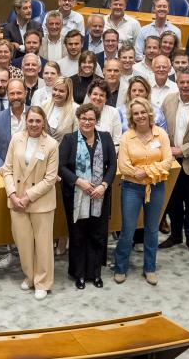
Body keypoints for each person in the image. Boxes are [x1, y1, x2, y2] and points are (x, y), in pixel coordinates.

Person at [0, 105, 60, 300]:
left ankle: (43, 281)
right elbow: (7, 169)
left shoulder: (51, 144)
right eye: (31, 120)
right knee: (23, 243)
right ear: (26, 121)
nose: (34, 124)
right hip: (16, 200)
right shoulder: (16, 139)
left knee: (43, 244)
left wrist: (27, 197)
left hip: (40, 201)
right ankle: (30, 276)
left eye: (38, 121)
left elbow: (50, 179)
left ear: (43, 123)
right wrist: (12, 194)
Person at [113, 97, 173, 286]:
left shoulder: (161, 134)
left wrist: (145, 172)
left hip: (156, 187)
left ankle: (150, 268)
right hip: (131, 188)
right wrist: (138, 173)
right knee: (128, 229)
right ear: (132, 116)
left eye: (142, 112)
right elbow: (123, 166)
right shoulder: (126, 137)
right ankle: (120, 267)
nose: (140, 116)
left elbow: (168, 162)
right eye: (135, 113)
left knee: (152, 228)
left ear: (149, 113)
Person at [59, 103, 116, 289]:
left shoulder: (105, 138)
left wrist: (104, 186)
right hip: (76, 196)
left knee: (97, 235)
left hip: (100, 196)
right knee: (78, 235)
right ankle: (79, 274)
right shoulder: (69, 140)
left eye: (91, 119)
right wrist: (79, 181)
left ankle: (95, 273)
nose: (87, 122)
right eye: (83, 118)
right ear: (78, 119)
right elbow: (61, 167)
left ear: (96, 120)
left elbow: (112, 166)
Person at [160, 68, 189, 256]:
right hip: (171, 163)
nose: (185, 86)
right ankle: (175, 235)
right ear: (177, 83)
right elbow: (161, 128)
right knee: (173, 202)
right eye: (182, 82)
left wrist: (182, 150)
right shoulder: (168, 101)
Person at [0, 79, 27, 172]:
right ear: (7, 95)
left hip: (32, 170)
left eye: (19, 93)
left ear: (25, 93)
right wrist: (2, 167)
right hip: (7, 171)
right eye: (12, 93)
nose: (15, 97)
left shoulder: (35, 115)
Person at [42, 76, 77, 143]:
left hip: (63, 151)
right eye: (55, 89)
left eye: (61, 91)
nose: (57, 93)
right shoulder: (44, 105)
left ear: (68, 93)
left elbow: (75, 137)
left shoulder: (75, 109)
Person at [88, 79, 122, 144]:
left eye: (102, 95)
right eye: (95, 94)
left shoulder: (113, 112)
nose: (98, 98)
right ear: (89, 95)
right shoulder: (81, 111)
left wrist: (109, 153)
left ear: (106, 98)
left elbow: (117, 140)